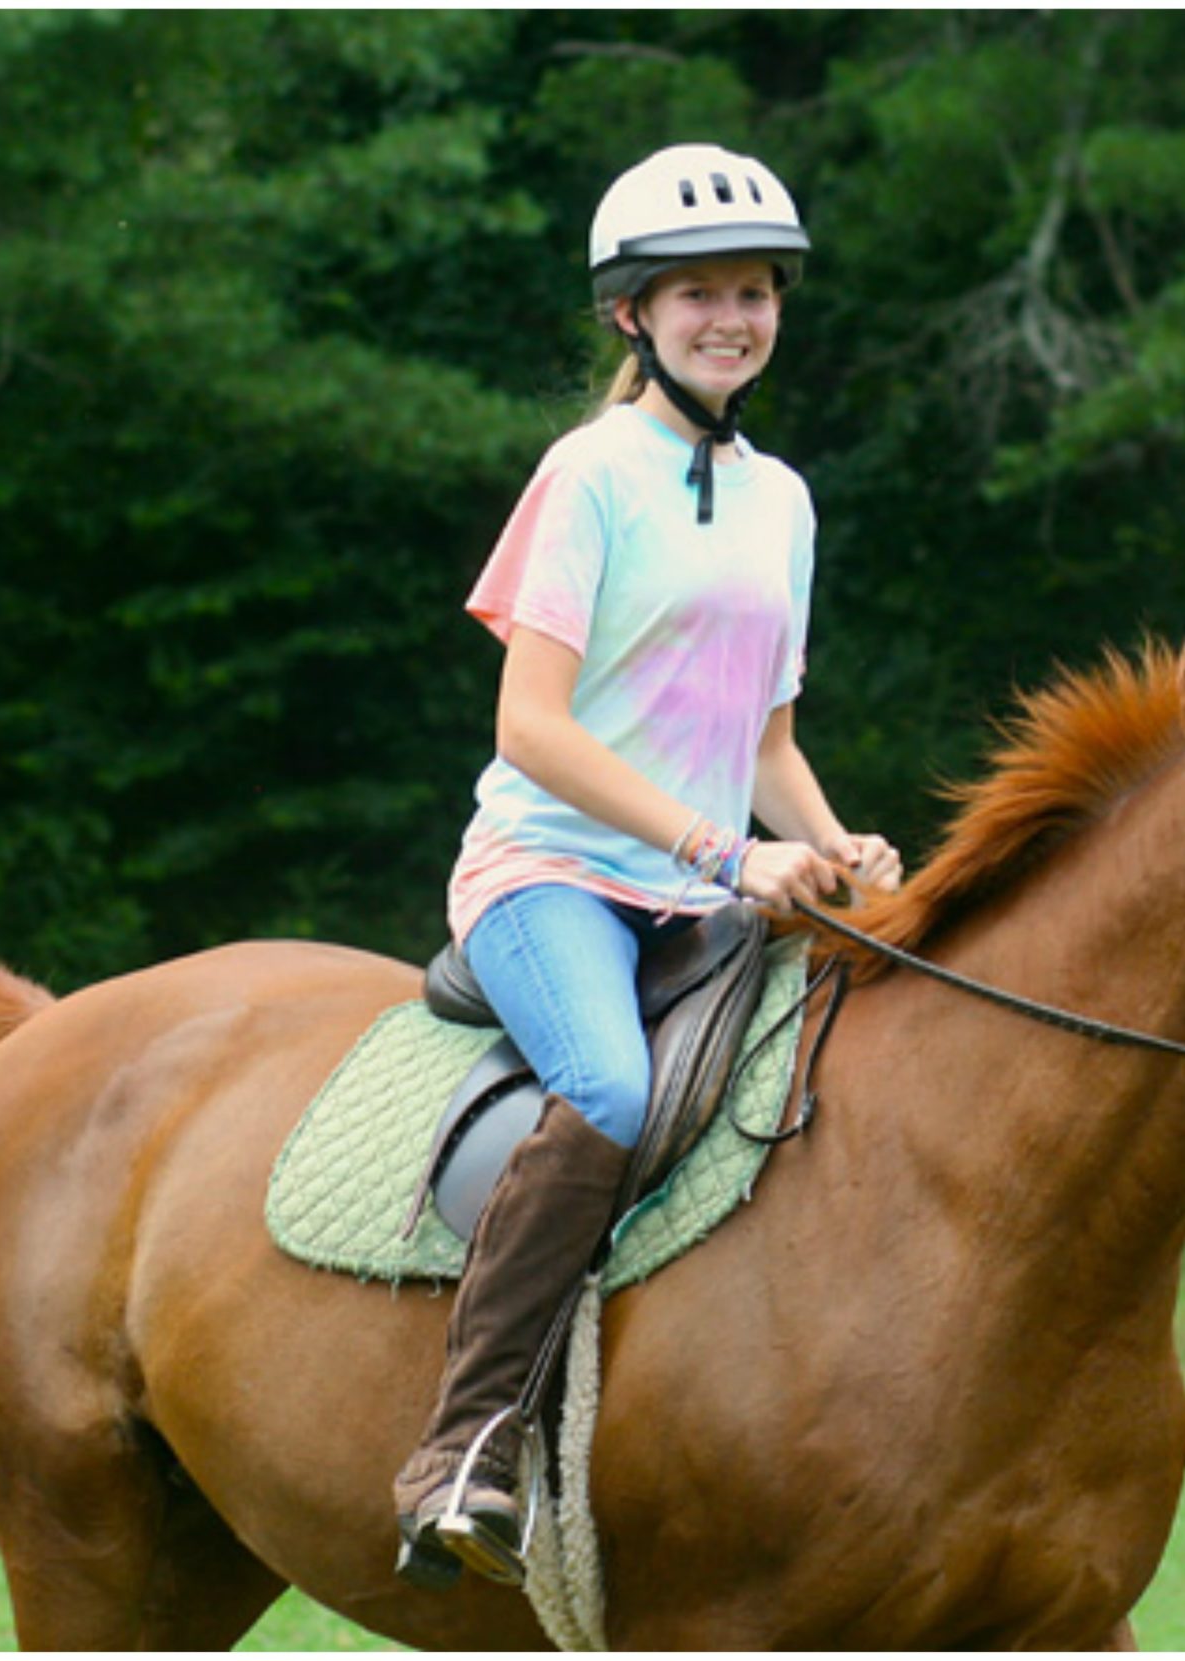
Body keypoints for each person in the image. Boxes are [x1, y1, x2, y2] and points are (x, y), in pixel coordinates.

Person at [392, 142, 903, 1588]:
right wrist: (720, 851)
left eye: (754, 293)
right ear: (632, 313)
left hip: (711, 884)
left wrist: (832, 841)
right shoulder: (587, 476)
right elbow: (529, 725)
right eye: (698, 297)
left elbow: (765, 741)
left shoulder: (783, 499)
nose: (731, 318)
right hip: (548, 873)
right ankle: (465, 1444)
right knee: (611, 1086)